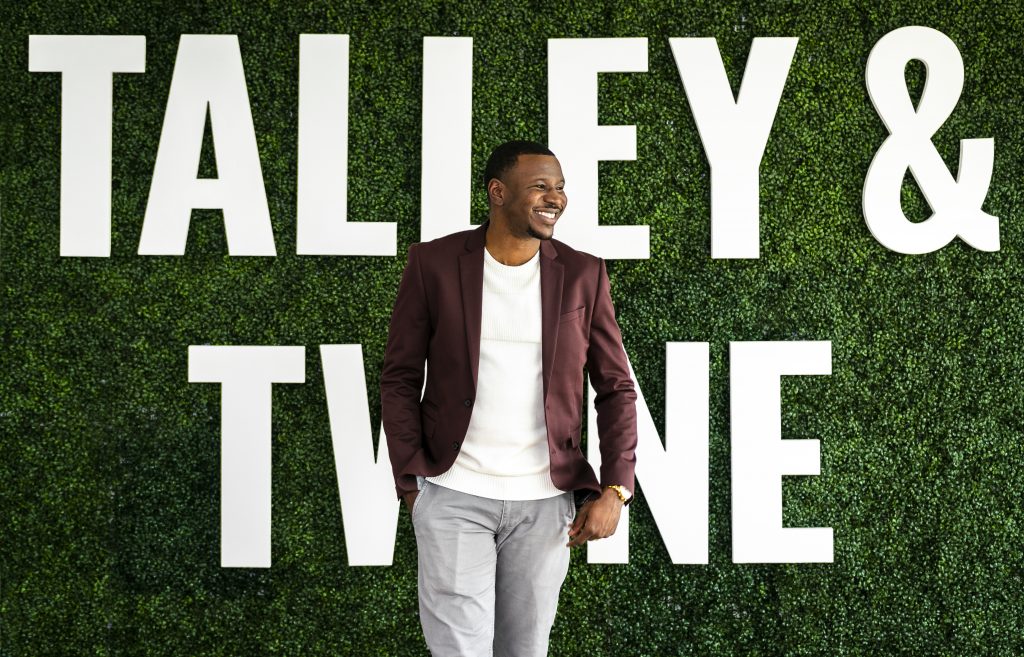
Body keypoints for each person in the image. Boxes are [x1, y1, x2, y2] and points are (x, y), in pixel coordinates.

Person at [380, 140, 638, 657]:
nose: (555, 198)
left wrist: (616, 488)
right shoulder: (433, 263)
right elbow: (400, 376)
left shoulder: (584, 274)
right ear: (498, 192)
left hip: (545, 502)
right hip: (453, 492)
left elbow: (615, 387)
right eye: (540, 186)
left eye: (560, 186)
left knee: (525, 650)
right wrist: (412, 478)